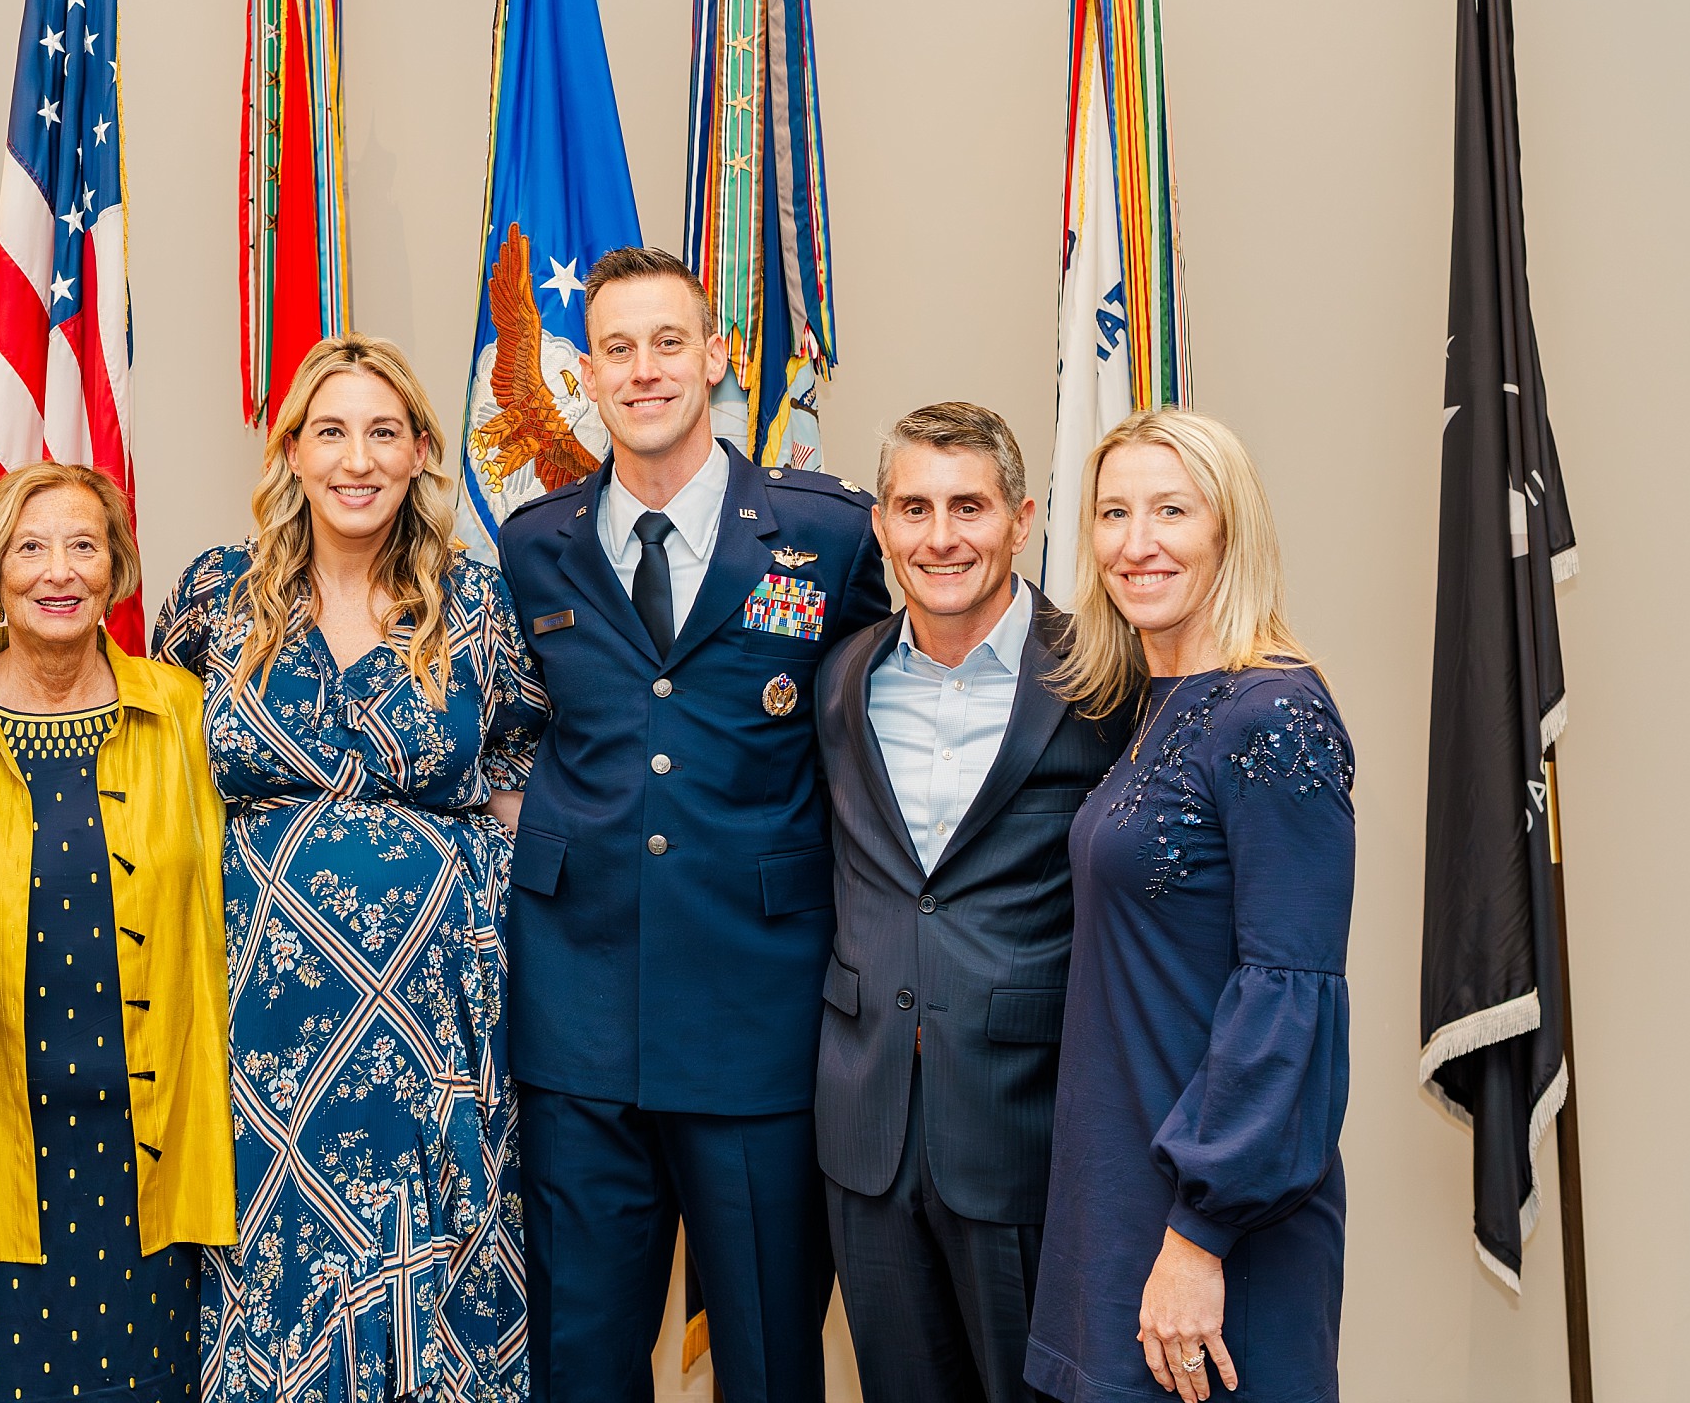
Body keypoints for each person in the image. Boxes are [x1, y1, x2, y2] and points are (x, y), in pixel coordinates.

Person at [496, 246, 892, 1403]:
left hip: (752, 1017)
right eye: (616, 348)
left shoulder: (826, 533)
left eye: (669, 341)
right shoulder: (532, 544)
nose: (645, 368)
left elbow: (914, 675)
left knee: (769, 1361)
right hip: (578, 1022)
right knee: (580, 1360)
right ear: (585, 373)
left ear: (715, 355)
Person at [151, 335, 547, 1403]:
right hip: (260, 1015)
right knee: (277, 1259)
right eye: (330, 430)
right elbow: (158, 781)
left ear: (422, 448)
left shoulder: (473, 601)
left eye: (383, 431)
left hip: (435, 1012)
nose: (357, 457)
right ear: (291, 447)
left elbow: (517, 785)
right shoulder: (214, 596)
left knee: (432, 1246)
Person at [0, 461, 234, 1401]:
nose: (58, 571)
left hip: (149, 1158)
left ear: (117, 569)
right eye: (30, 548)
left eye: (85, 546)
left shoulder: (188, 717)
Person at [1024, 410, 1355, 1403]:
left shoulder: (1274, 713)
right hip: (1115, 1200)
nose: (1137, 541)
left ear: (1228, 529)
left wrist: (1198, 1234)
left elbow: (1288, 996)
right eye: (1113, 512)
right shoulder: (1151, 704)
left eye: (1170, 509)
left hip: (1214, 1229)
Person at [813, 403, 1117, 1403]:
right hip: (868, 1132)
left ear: (1021, 518)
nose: (939, 536)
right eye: (913, 507)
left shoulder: (1100, 674)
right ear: (880, 525)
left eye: (968, 506)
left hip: (1021, 1126)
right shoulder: (840, 678)